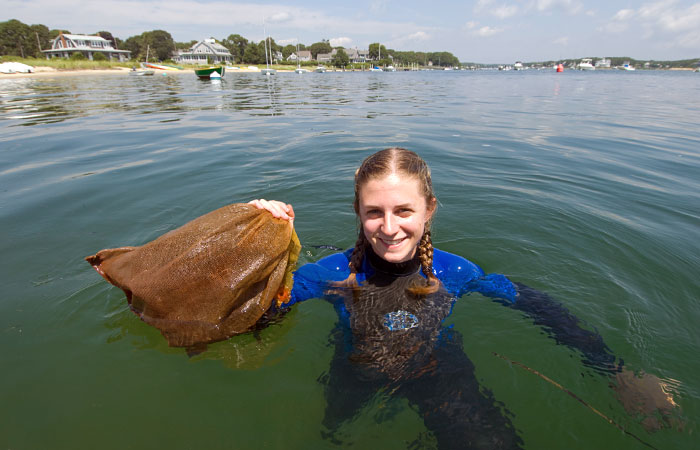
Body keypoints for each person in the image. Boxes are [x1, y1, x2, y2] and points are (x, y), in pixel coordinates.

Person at [249, 148, 624, 449]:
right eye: (374, 213)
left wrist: (616, 372)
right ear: (357, 212)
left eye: (404, 211)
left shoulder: (456, 273)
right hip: (355, 372)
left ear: (429, 209)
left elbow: (538, 306)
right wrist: (256, 246)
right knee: (335, 437)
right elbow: (256, 315)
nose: (390, 228)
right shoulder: (329, 274)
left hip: (437, 369)